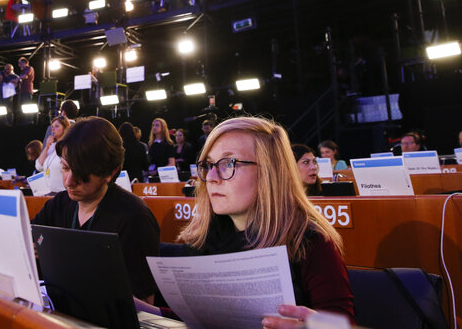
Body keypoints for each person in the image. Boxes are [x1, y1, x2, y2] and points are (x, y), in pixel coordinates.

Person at [177, 117, 355, 326]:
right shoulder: (206, 237)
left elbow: (343, 325)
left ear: (269, 172)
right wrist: (145, 310)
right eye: (208, 165)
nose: (212, 177)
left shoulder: (310, 242)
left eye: (228, 163)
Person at [32, 117, 160, 303]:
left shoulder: (134, 218)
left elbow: (143, 304)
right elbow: (30, 241)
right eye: (65, 168)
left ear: (110, 172)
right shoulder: (59, 203)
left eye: (82, 174)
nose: (68, 182)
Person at [35, 116, 70, 194]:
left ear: (65, 128)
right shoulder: (51, 146)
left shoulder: (69, 147)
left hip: (62, 192)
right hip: (47, 192)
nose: (53, 129)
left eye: (57, 126)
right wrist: (47, 147)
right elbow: (38, 166)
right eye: (52, 127)